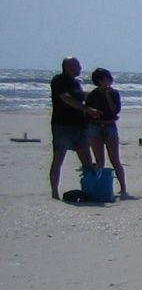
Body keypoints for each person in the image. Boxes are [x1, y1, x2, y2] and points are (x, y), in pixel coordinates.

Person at [48, 56, 99, 200]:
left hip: (79, 125)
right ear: (69, 67)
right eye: (77, 66)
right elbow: (66, 98)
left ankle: (90, 191)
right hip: (62, 125)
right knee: (58, 159)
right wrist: (87, 109)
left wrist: (97, 95)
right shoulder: (59, 80)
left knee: (87, 161)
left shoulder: (76, 82)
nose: (80, 68)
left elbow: (80, 96)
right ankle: (54, 192)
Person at [85, 68, 130, 198]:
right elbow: (87, 111)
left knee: (115, 159)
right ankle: (99, 187)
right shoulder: (93, 94)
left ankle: (123, 187)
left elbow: (115, 110)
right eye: (103, 79)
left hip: (110, 126)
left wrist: (108, 95)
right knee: (99, 160)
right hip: (95, 127)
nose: (107, 81)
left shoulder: (114, 93)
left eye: (108, 79)